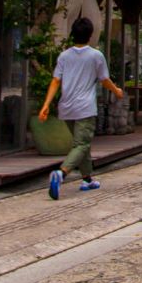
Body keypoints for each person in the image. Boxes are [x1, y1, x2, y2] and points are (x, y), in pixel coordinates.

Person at [39, 16, 124, 200]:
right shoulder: (96, 55)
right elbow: (104, 79)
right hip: (85, 107)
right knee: (81, 144)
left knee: (82, 144)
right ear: (91, 35)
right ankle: (61, 173)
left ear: (72, 34)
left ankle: (87, 179)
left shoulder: (64, 56)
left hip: (66, 107)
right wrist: (116, 90)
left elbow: (55, 81)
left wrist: (46, 104)